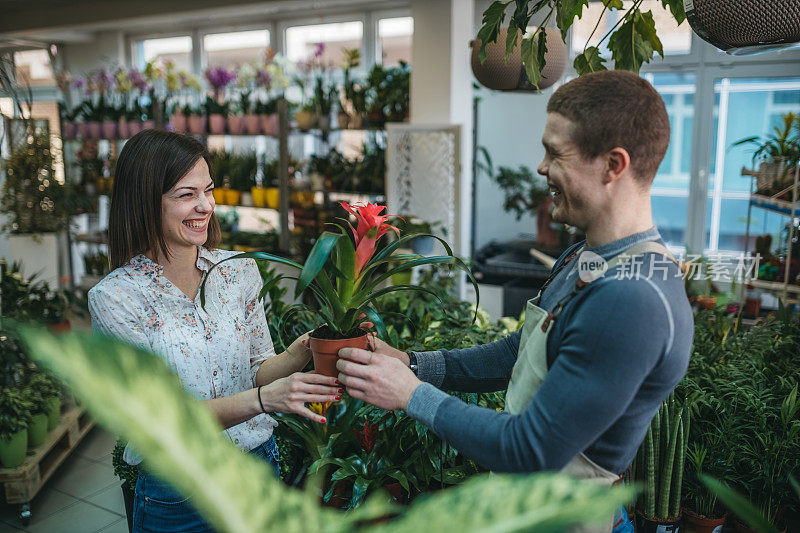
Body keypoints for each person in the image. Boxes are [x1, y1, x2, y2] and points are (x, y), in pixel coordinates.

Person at [336, 71, 693, 532]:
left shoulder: (632, 298)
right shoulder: (585, 255)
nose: (541, 167)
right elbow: (520, 353)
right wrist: (413, 363)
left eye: (555, 152)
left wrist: (410, 395)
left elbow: (532, 450)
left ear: (613, 165)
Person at [88, 130, 341, 533]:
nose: (205, 206)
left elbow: (259, 368)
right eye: (187, 195)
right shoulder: (116, 299)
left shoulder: (238, 272)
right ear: (145, 202)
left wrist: (302, 352)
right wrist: (264, 400)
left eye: (208, 190)